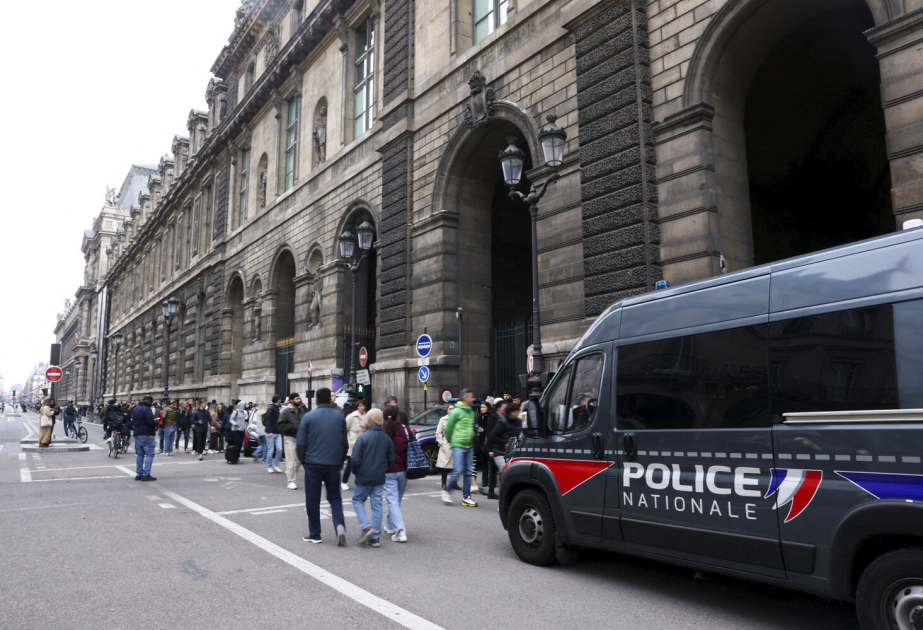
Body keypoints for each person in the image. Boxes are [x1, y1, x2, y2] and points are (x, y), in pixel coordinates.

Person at [296, 387, 348, 546]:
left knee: (312, 499)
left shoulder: (308, 417)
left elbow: (301, 443)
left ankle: (315, 534)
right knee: (335, 497)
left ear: (316, 400)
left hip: (313, 463)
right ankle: (339, 525)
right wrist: (341, 460)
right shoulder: (339, 416)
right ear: (331, 399)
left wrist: (303, 460)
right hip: (333, 463)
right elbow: (344, 442)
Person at [349, 408, 394, 548]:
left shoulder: (362, 438)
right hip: (379, 476)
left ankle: (366, 527)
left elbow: (355, 459)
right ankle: (375, 538)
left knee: (358, 500)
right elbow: (391, 459)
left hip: (364, 475)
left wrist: (356, 471)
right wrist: (383, 468)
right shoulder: (386, 438)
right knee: (377, 505)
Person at [442, 389, 478, 507]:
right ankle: (447, 490)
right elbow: (448, 429)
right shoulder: (456, 412)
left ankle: (466, 497)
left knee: (468, 472)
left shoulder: (471, 412)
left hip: (469, 445)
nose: (473, 399)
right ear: (465, 397)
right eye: (471, 397)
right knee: (458, 470)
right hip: (458, 444)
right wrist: (452, 441)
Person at [383, 407, 409, 542]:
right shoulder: (405, 429)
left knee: (392, 501)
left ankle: (400, 531)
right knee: (396, 501)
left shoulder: (382, 431)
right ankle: (389, 524)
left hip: (388, 470)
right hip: (403, 469)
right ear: (397, 416)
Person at [487, 401, 520, 499]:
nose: (518, 413)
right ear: (512, 412)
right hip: (500, 452)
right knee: (506, 471)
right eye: (517, 411)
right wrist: (503, 443)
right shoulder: (501, 421)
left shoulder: (518, 422)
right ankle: (503, 496)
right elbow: (492, 435)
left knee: (510, 473)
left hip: (512, 451)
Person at [278, 393, 304, 490]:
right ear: (291, 400)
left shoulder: (301, 410)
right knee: (291, 461)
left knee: (300, 460)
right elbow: (280, 425)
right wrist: (291, 427)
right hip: (289, 438)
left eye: (299, 398)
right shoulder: (285, 411)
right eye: (297, 398)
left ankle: (289, 472)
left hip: (300, 439)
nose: (299, 400)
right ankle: (291, 481)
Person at [342, 400, 368, 490]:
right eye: (360, 406)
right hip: (352, 442)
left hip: (363, 441)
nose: (362, 408)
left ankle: (360, 481)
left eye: (363, 406)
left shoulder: (367, 416)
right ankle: (344, 481)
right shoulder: (351, 416)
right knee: (350, 464)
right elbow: (345, 428)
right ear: (357, 407)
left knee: (362, 464)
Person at [132, 395, 157, 481]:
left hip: (137, 433)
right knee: (149, 454)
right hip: (146, 433)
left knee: (140, 455)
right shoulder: (147, 409)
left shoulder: (135, 408)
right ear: (149, 401)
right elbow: (150, 422)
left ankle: (139, 474)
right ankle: (146, 474)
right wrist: (155, 422)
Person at [435, 404, 455, 489]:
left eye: (453, 409)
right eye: (450, 409)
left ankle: (454, 483)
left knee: (455, 464)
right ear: (447, 410)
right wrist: (442, 443)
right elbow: (438, 432)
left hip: (455, 442)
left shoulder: (457, 419)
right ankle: (444, 482)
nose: (451, 410)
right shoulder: (443, 419)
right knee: (445, 465)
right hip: (446, 443)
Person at [263, 395, 283, 474]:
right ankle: (269, 466)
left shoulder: (277, 408)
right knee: (270, 450)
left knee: (279, 449)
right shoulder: (271, 408)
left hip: (277, 432)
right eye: (280, 399)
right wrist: (269, 431)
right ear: (278, 400)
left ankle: (276, 465)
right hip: (271, 432)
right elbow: (268, 420)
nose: (281, 400)